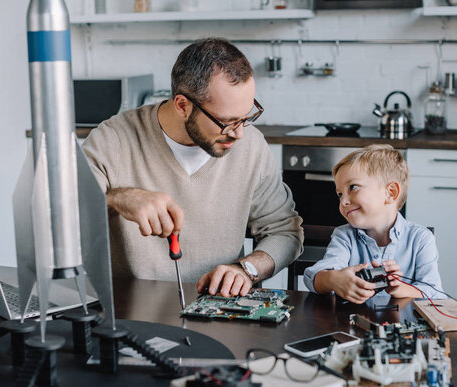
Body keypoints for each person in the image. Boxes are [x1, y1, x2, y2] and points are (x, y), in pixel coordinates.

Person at [83, 38, 303, 297]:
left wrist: (247, 270)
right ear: (182, 105)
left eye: (247, 117)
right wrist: (116, 199)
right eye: (227, 122)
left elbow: (285, 231)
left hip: (222, 313)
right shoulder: (114, 140)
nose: (239, 134)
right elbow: (58, 216)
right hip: (130, 312)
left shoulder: (251, 147)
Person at [303, 144, 443, 303]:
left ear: (390, 193)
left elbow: (436, 293)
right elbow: (312, 277)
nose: (344, 201)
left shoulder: (421, 239)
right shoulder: (344, 236)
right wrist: (333, 280)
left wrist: (400, 288)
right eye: (340, 194)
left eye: (353, 187)